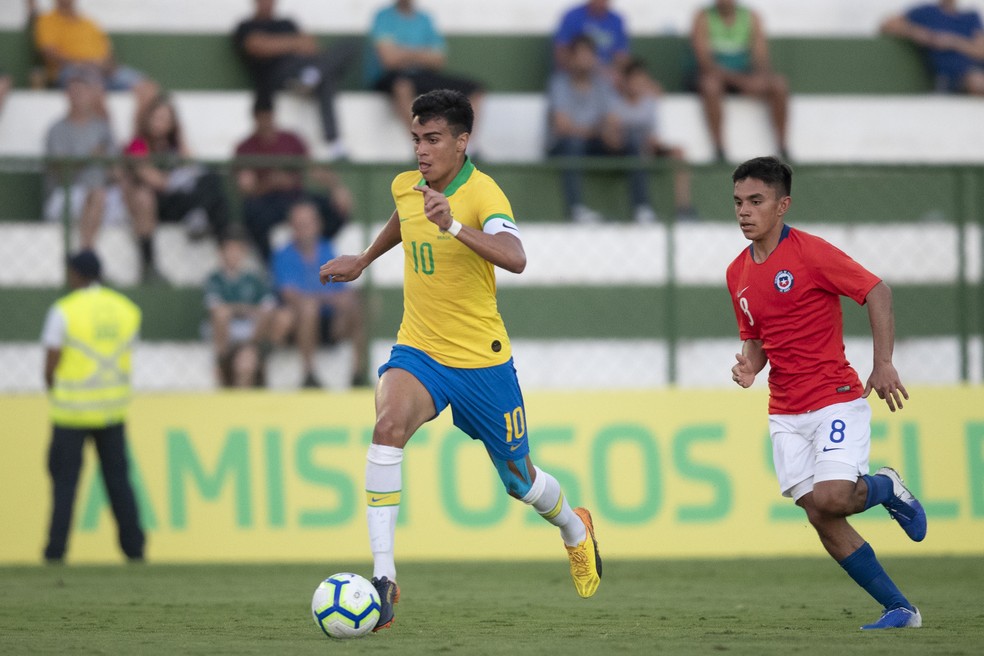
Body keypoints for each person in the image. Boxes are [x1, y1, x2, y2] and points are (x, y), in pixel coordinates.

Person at [319, 89, 603, 631]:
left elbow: (516, 258)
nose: (421, 151)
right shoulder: (407, 186)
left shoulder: (483, 193)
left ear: (461, 141)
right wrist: (364, 258)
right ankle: (383, 579)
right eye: (416, 139)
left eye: (433, 139)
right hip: (420, 349)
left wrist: (452, 224)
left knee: (521, 482)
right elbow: (406, 218)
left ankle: (574, 527)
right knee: (387, 426)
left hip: (482, 361)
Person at [726, 156, 926, 631]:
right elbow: (757, 340)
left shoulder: (811, 253)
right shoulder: (737, 274)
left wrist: (882, 363)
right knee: (820, 514)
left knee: (833, 497)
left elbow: (877, 291)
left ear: (782, 205)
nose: (744, 211)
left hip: (834, 397)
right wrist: (750, 365)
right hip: (785, 411)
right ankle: (900, 609)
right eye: (738, 202)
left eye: (756, 201)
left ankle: (888, 486)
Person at [41, 250, 145, 563]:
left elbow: (51, 362)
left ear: (75, 274)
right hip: (112, 410)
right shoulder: (127, 309)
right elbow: (129, 351)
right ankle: (135, 551)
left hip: (71, 412)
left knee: (65, 486)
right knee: (119, 483)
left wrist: (54, 387)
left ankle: (56, 552)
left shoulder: (64, 310)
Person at [121, 94, 231, 282]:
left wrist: (180, 141)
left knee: (212, 181)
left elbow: (193, 166)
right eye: (156, 118)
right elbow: (155, 180)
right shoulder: (138, 144)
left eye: (165, 119)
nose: (159, 124)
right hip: (159, 204)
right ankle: (150, 265)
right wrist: (179, 177)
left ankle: (227, 247)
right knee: (201, 188)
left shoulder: (174, 146)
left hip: (181, 199)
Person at [547, 35, 653, 224]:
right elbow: (562, 126)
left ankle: (642, 208)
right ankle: (576, 209)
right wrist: (598, 132)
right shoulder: (559, 83)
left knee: (631, 142)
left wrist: (612, 134)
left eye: (589, 55)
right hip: (564, 146)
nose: (585, 60)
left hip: (594, 142)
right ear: (571, 58)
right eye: (580, 55)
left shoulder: (601, 84)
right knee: (573, 144)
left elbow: (611, 118)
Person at [233, 0, 358, 158]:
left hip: (303, 66)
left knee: (349, 46)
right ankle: (313, 77)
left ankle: (312, 76)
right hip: (277, 75)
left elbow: (311, 46)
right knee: (325, 77)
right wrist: (293, 43)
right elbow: (257, 46)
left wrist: (280, 44)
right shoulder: (246, 26)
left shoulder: (287, 23)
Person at [234, 97, 351, 263]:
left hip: (296, 196)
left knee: (335, 211)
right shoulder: (245, 148)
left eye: (268, 117)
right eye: (262, 118)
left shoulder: (291, 140)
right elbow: (247, 189)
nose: (266, 123)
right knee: (252, 215)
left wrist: (336, 188)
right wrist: (270, 183)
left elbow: (313, 168)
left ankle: (313, 253)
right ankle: (273, 265)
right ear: (256, 118)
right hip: (267, 201)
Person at [270, 200, 367, 389]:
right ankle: (309, 374)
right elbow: (290, 295)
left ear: (317, 224)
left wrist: (333, 298)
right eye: (299, 224)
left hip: (330, 318)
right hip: (300, 321)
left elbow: (342, 290)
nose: (304, 229)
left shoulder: (327, 249)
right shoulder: (284, 254)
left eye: (307, 223)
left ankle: (357, 372)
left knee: (357, 303)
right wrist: (327, 298)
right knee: (309, 308)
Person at [690, 0, 790, 162]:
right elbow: (706, 63)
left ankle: (783, 147)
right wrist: (741, 82)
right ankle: (719, 149)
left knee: (779, 84)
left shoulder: (751, 17)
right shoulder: (703, 17)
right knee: (710, 86)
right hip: (719, 77)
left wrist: (759, 77)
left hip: (744, 75)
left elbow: (761, 58)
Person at [364, 0, 484, 134]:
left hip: (421, 75)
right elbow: (390, 60)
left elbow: (438, 60)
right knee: (402, 85)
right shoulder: (383, 17)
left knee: (474, 89)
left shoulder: (425, 19)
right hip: (389, 77)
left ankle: (464, 143)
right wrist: (422, 53)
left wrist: (402, 52)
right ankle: (420, 137)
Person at [611, 58, 697, 221]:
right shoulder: (616, 106)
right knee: (636, 150)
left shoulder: (650, 103)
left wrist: (651, 145)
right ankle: (643, 208)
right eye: (635, 80)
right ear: (626, 81)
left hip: (649, 147)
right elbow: (615, 136)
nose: (639, 85)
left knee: (678, 153)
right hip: (627, 151)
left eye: (642, 80)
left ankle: (683, 208)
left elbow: (655, 134)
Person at [43, 67, 116, 251]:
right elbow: (61, 169)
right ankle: (86, 253)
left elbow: (115, 168)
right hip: (67, 195)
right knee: (96, 195)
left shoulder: (102, 127)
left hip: (103, 194)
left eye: (83, 91)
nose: (78, 96)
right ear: (66, 95)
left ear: (92, 95)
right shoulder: (56, 129)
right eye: (73, 91)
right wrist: (91, 156)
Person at [33, 0, 157, 105]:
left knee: (147, 87)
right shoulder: (47, 20)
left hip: (103, 71)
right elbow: (48, 52)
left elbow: (109, 54)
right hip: (72, 71)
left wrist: (106, 66)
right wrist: (81, 63)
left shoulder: (89, 23)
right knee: (93, 87)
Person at [204, 227, 277, 388]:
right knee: (221, 315)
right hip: (226, 329)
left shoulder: (253, 279)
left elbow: (268, 306)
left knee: (269, 316)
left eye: (237, 250)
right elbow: (215, 308)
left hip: (249, 328)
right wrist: (246, 309)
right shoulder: (214, 279)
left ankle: (253, 350)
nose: (233, 255)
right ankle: (222, 359)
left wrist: (235, 309)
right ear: (221, 253)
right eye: (229, 250)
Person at [880, 0, 984, 95]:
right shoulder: (927, 13)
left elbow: (981, 51)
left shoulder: (971, 17)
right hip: (953, 77)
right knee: (976, 81)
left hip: (978, 67)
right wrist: (917, 33)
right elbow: (887, 24)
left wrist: (953, 42)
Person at [552, 0, 631, 76]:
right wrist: (585, 66)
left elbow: (621, 56)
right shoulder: (572, 16)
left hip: (606, 76)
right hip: (572, 74)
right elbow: (561, 53)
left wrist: (615, 73)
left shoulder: (617, 20)